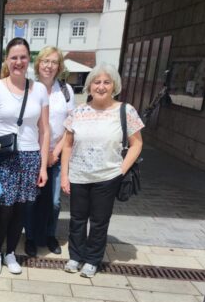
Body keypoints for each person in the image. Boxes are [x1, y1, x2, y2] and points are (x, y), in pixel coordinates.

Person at [61, 63, 144, 278]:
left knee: (99, 221)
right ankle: (75, 256)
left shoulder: (125, 110)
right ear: (89, 86)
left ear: (114, 85)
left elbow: (136, 144)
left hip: (107, 176)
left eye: (106, 82)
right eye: (96, 82)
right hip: (79, 175)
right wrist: (64, 175)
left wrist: (121, 170)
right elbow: (67, 144)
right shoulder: (78, 112)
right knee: (77, 219)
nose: (101, 86)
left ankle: (92, 259)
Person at [0, 38, 50, 274]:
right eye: (14, 57)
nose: (18, 62)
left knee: (22, 209)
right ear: (6, 60)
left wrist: (42, 166)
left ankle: (10, 253)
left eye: (23, 57)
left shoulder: (39, 89)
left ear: (28, 60)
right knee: (3, 209)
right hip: (4, 157)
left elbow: (45, 129)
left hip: (31, 157)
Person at [25, 46, 75, 256]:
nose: (49, 65)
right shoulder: (29, 87)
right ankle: (29, 237)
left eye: (54, 62)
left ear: (59, 66)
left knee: (54, 202)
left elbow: (71, 125)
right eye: (45, 61)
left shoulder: (65, 91)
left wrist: (56, 154)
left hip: (56, 153)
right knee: (31, 199)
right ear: (38, 64)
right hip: (32, 152)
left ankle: (49, 234)